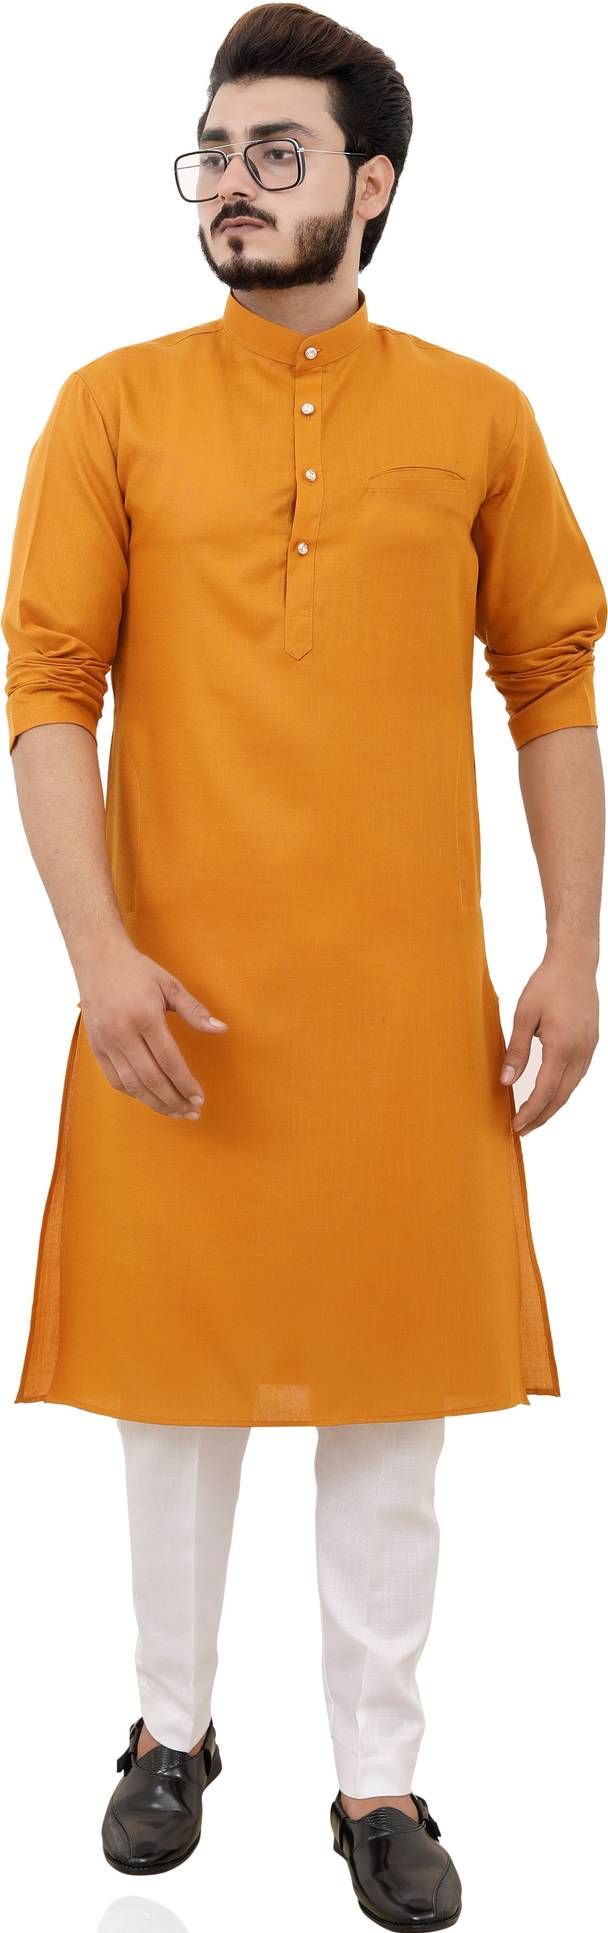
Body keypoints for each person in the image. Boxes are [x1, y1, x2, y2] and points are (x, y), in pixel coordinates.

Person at [3, 7, 605, 1926]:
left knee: (391, 1398)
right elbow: (46, 684)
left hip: (401, 1005)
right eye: (216, 152)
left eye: (277, 152)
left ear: (373, 183)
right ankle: (167, 1732)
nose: (234, 185)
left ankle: (380, 1778)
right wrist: (98, 954)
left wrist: (573, 948)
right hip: (175, 996)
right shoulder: (110, 405)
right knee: (171, 1398)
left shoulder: (480, 415)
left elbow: (552, 679)